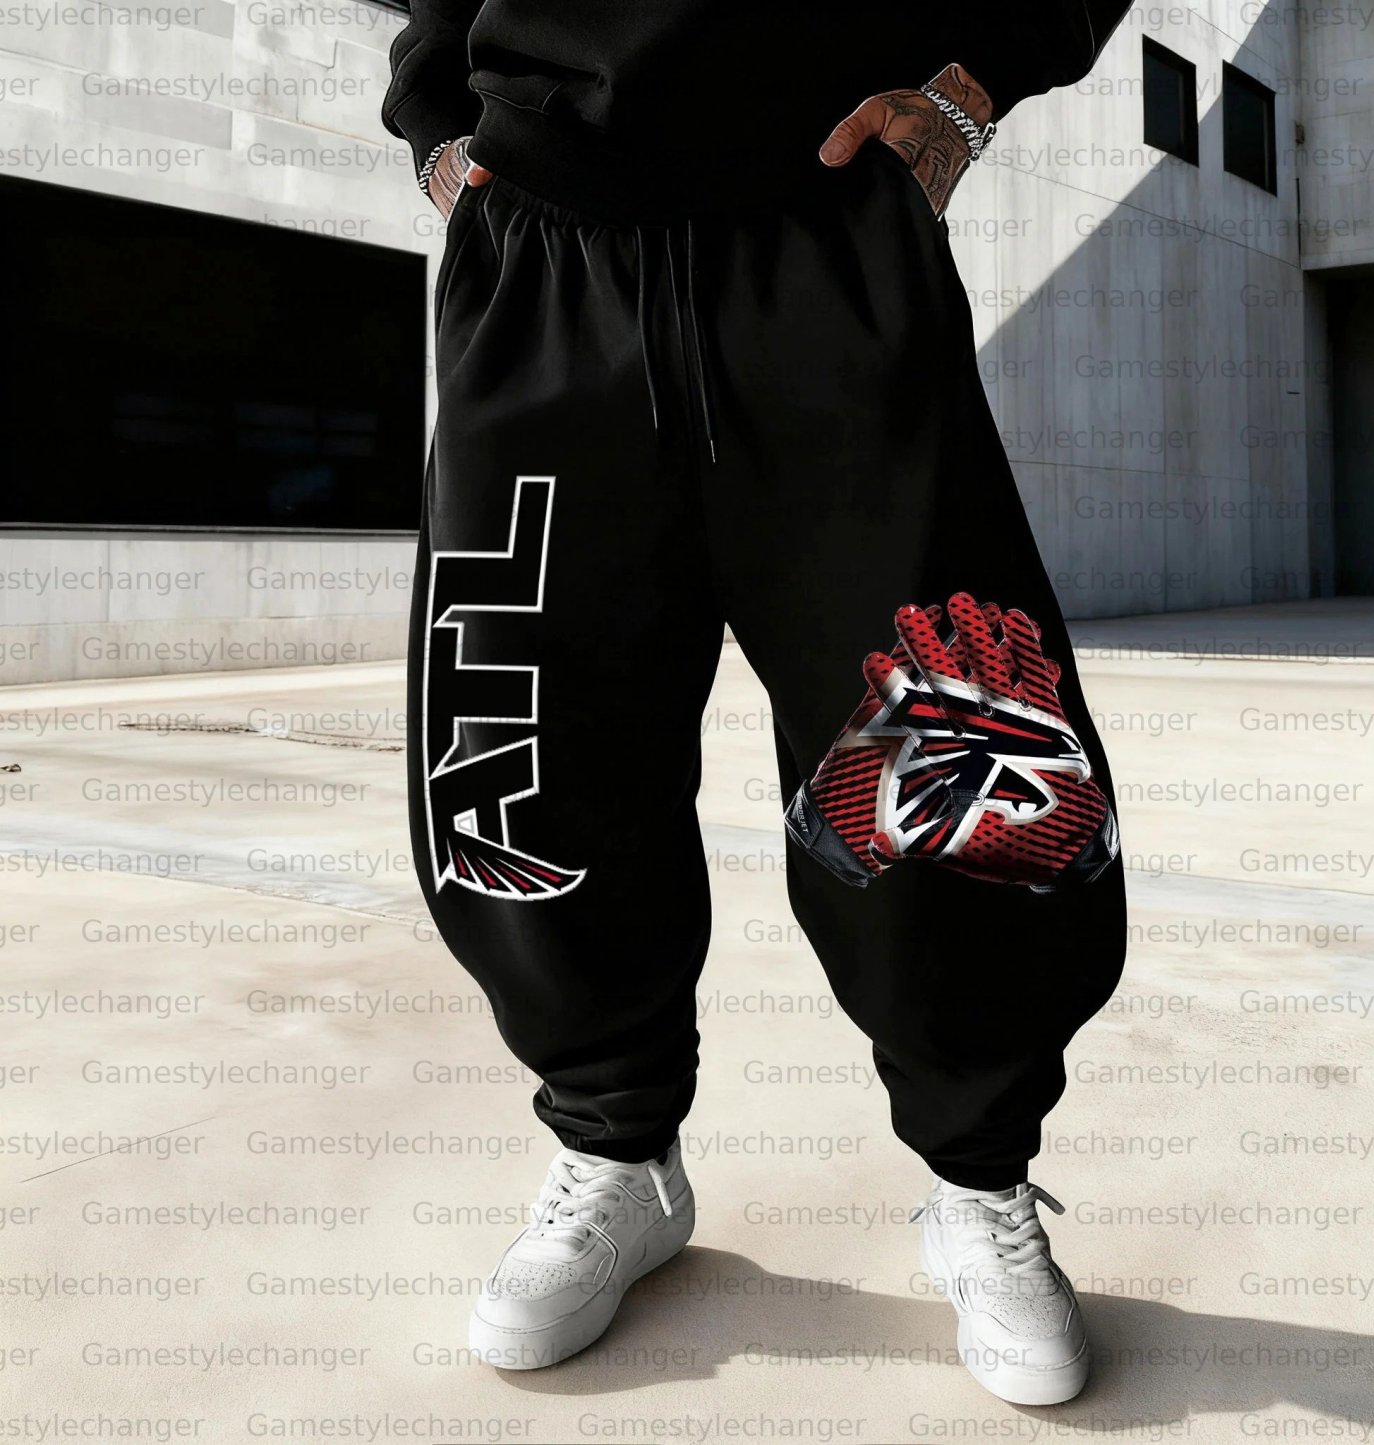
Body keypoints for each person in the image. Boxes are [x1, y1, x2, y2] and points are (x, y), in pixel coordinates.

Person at [383, 0, 1132, 1405]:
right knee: (532, 735)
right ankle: (615, 1150)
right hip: (542, 240)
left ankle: (978, 1177)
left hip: (825, 223)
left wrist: (970, 85)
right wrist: (434, 118)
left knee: (941, 722)